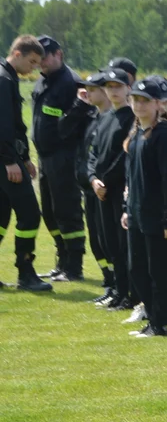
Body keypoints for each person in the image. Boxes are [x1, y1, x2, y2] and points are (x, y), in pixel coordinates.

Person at [122, 76, 167, 338]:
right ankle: (151, 316)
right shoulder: (135, 133)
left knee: (158, 271)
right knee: (136, 269)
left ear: (158, 103)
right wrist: (126, 208)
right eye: (135, 99)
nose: (139, 105)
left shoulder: (165, 134)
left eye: (145, 101)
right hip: (136, 214)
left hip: (157, 217)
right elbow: (130, 176)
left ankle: (159, 324)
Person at [0, 35, 51, 291]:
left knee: (0, 216)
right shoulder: (3, 79)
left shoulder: (7, 77)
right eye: (32, 62)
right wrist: (11, 161)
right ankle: (26, 273)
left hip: (9, 157)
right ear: (17, 54)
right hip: (4, 160)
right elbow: (3, 125)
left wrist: (24, 159)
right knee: (30, 215)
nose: (34, 68)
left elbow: (16, 126)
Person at [31, 36, 84, 281]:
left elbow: (78, 121)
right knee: (50, 212)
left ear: (58, 54)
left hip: (65, 157)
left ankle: (74, 267)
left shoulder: (70, 83)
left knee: (67, 210)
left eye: (45, 56)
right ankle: (61, 261)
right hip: (45, 157)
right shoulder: (42, 82)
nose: (40, 61)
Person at [60, 71, 114, 299]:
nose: (88, 93)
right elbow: (62, 130)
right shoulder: (89, 115)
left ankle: (117, 283)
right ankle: (108, 280)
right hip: (88, 186)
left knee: (109, 239)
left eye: (92, 90)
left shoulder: (114, 118)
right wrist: (80, 105)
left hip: (106, 190)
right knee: (96, 240)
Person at [89, 67, 137, 308]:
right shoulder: (105, 117)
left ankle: (130, 293)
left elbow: (123, 155)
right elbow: (94, 153)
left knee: (122, 242)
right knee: (109, 243)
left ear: (128, 88)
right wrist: (93, 179)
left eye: (118, 86)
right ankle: (118, 290)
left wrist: (106, 180)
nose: (113, 91)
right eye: (109, 87)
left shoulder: (131, 117)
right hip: (102, 191)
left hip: (118, 190)